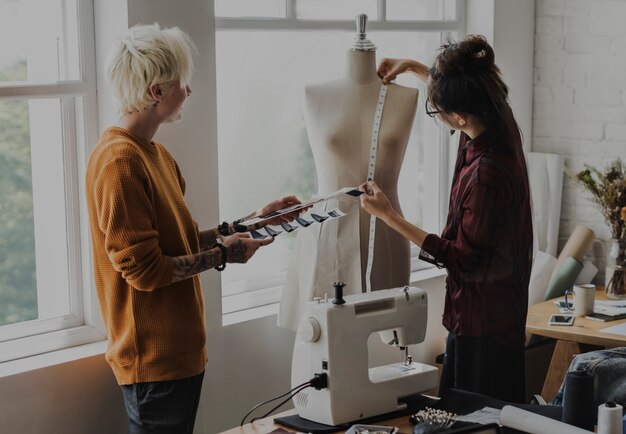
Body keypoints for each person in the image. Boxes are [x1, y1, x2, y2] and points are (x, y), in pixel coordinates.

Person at [85, 23, 301, 433]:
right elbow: (144, 272)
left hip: (180, 358)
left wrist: (253, 220)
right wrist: (225, 255)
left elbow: (175, 245)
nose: (188, 91)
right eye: (182, 82)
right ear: (156, 91)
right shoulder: (119, 163)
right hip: (153, 363)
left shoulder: (156, 155)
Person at [360, 35, 533, 403]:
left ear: (459, 117)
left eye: (437, 110)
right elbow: (460, 97)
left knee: (476, 423)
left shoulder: (488, 174)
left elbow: (459, 257)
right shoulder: (496, 119)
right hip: (489, 314)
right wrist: (411, 66)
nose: (437, 115)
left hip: (484, 327)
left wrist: (389, 214)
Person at [278, 17, 418, 331]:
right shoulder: (314, 94)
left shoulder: (406, 97)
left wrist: (414, 66)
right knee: (328, 341)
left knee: (384, 338)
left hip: (386, 231)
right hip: (328, 229)